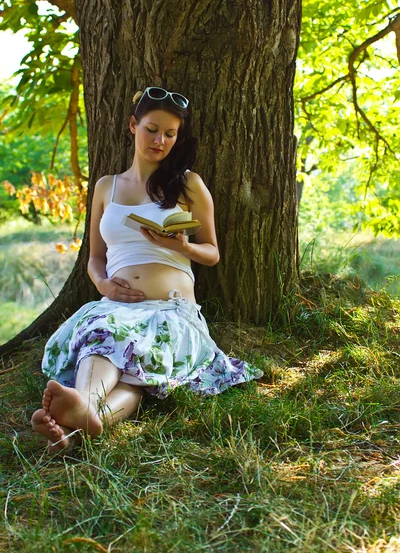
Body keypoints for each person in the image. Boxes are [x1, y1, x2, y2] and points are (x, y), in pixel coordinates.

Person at [31, 86, 263, 453]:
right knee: (114, 348)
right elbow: (95, 256)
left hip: (171, 311)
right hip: (118, 306)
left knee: (128, 351)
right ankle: (83, 422)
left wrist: (182, 246)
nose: (160, 140)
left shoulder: (187, 183)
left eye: (170, 134)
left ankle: (81, 410)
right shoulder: (107, 187)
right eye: (152, 129)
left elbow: (212, 253)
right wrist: (103, 285)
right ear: (132, 126)